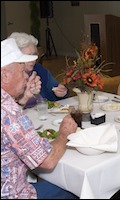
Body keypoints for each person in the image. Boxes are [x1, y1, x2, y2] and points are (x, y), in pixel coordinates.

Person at [1, 38, 78, 199]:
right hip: (13, 194)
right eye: (22, 71)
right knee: (75, 186)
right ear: (4, 75)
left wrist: (22, 100)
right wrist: (64, 134)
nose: (26, 76)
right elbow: (47, 161)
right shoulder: (9, 112)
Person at [8, 32, 69, 108]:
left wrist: (63, 92)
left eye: (34, 54)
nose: (33, 59)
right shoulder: (7, 78)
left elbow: (55, 89)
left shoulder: (38, 69)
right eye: (28, 56)